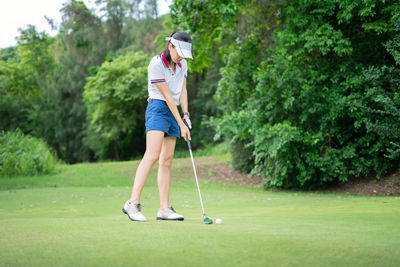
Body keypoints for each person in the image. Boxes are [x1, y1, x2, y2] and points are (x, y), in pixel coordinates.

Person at [122, 31, 193, 222]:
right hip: (158, 107)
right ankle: (132, 203)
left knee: (167, 159)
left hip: (174, 110)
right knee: (152, 154)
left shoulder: (182, 64)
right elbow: (168, 97)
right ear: (170, 46)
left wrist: (185, 116)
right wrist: (181, 124)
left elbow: (182, 90)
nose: (182, 57)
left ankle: (164, 208)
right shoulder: (155, 64)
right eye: (179, 52)